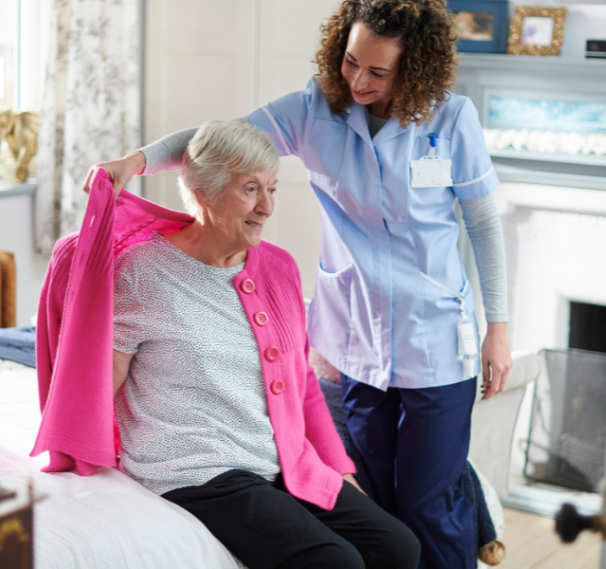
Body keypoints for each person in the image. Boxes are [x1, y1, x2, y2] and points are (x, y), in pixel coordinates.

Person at [85, 2, 512, 567]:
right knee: (379, 489)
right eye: (350, 62)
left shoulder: (451, 119)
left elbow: (483, 222)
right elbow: (215, 141)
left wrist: (498, 328)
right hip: (353, 334)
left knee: (430, 499)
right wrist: (136, 161)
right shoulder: (316, 109)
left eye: (377, 72)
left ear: (412, 71)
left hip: (435, 334)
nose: (358, 81)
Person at [36, 120, 421, 569]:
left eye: (272, 190)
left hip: (276, 461)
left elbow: (302, 384)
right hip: (194, 469)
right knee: (333, 562)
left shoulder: (278, 268)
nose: (266, 207)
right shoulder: (144, 272)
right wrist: (75, 444)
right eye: (251, 189)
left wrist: (340, 470)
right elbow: (101, 383)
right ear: (203, 192)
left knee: (398, 546)